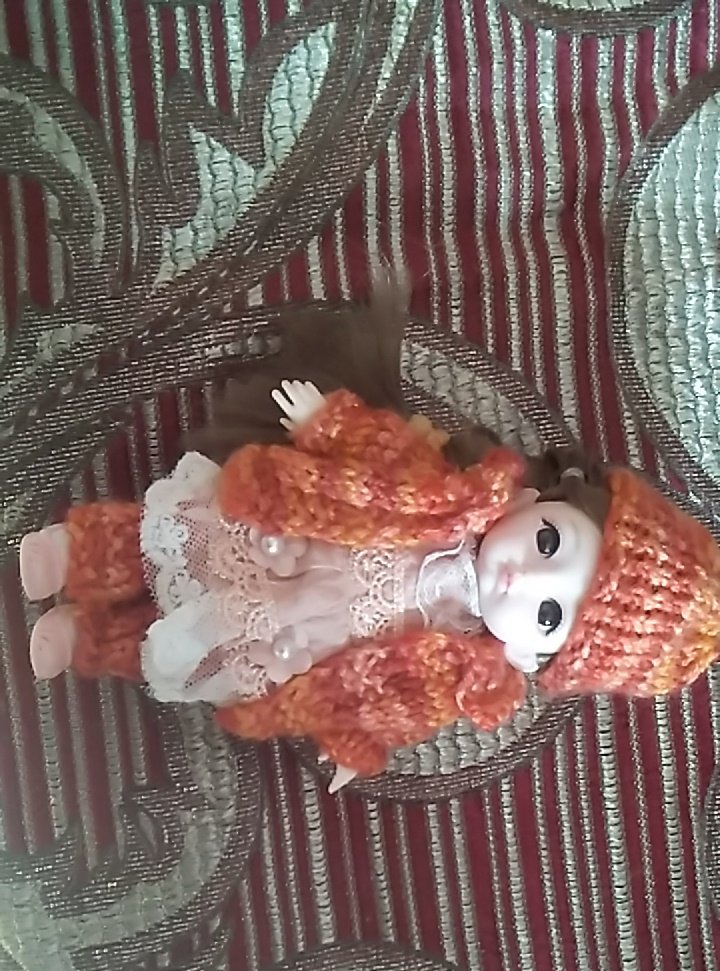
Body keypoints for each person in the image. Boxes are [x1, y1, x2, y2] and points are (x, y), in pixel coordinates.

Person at [18, 281, 720, 791]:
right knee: (168, 540)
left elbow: (391, 703)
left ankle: (86, 640)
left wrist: (355, 742)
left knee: (185, 650)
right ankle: (72, 554)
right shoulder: (445, 493)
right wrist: (327, 424)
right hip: (283, 537)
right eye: (548, 544)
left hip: (289, 646)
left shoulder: (456, 675)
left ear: (535, 655)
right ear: (540, 499)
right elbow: (383, 459)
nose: (524, 578)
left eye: (547, 613)